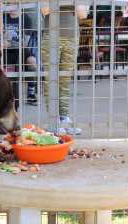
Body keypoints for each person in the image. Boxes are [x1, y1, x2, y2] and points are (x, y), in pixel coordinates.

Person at [41, 5, 88, 135]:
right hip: (51, 36)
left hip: (72, 37)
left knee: (65, 80)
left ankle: (64, 119)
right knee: (50, 80)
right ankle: (53, 121)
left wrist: (60, 5)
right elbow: (45, 10)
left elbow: (82, 13)